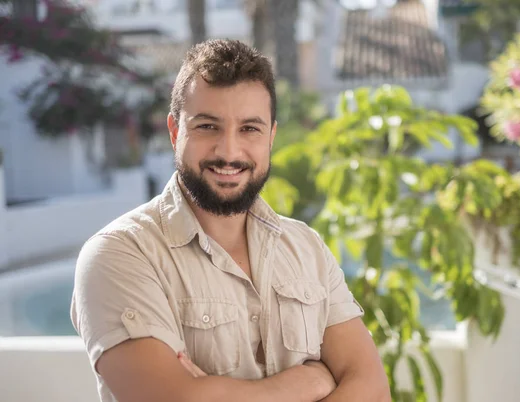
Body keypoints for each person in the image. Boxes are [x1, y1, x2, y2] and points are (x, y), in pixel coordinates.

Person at [70, 39, 391, 402]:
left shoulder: (307, 247)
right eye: (208, 126)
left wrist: (209, 391)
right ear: (175, 132)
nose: (228, 151)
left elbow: (373, 390)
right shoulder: (119, 255)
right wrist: (308, 383)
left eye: (249, 129)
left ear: (271, 137)